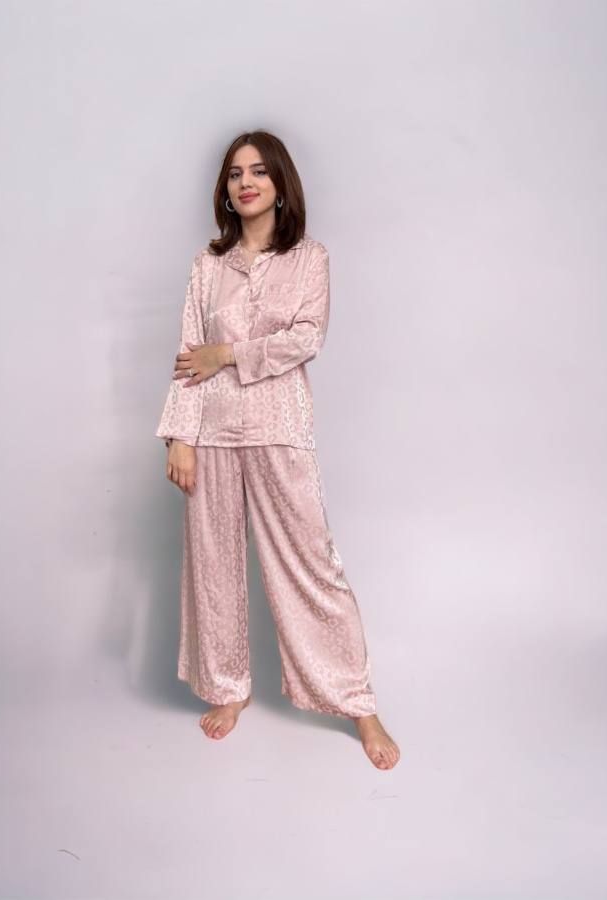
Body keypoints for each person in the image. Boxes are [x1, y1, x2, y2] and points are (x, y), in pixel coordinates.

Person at [155, 130, 400, 770]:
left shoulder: (309, 258)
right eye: (236, 173)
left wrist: (229, 354)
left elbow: (306, 337)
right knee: (212, 567)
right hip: (211, 432)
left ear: (281, 183)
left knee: (312, 565)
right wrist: (181, 436)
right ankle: (228, 688)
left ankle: (358, 703)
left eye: (259, 171)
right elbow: (188, 355)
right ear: (225, 190)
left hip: (278, 426)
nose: (246, 182)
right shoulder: (208, 265)